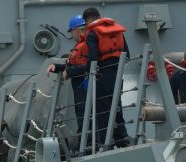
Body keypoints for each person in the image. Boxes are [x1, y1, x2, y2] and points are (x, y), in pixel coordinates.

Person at [83, 7, 130, 148]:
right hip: (118, 73)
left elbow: (92, 58)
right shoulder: (117, 31)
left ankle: (105, 143)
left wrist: (88, 72)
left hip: (102, 75)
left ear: (89, 19)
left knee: (103, 110)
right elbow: (127, 53)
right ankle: (122, 139)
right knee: (116, 105)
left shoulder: (93, 33)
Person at [48, 15, 89, 134]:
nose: (71, 36)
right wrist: (57, 67)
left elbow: (87, 66)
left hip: (85, 87)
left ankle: (86, 144)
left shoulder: (87, 45)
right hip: (80, 87)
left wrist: (69, 72)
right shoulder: (82, 45)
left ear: (77, 30)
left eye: (72, 32)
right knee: (82, 115)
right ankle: (84, 142)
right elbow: (73, 63)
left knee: (85, 115)